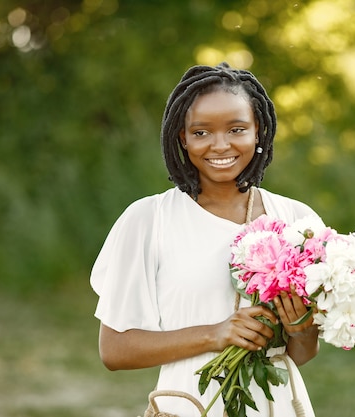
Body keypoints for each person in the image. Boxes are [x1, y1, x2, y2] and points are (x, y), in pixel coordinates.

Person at [90, 62, 321, 416]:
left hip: (278, 407)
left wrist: (301, 329)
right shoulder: (149, 220)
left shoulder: (297, 221)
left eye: (236, 129)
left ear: (258, 130)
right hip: (189, 406)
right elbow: (115, 351)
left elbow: (302, 354)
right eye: (201, 132)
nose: (220, 145)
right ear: (181, 137)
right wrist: (215, 334)